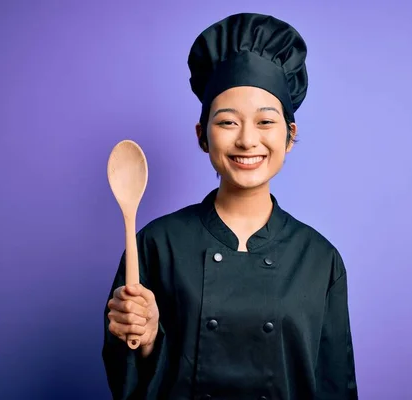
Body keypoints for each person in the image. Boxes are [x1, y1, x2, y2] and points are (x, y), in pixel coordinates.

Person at [102, 12, 358, 400]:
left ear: (290, 136)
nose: (247, 140)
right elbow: (127, 379)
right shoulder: (155, 244)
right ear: (202, 135)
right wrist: (148, 339)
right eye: (227, 123)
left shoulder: (320, 261)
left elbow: (335, 386)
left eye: (265, 122)